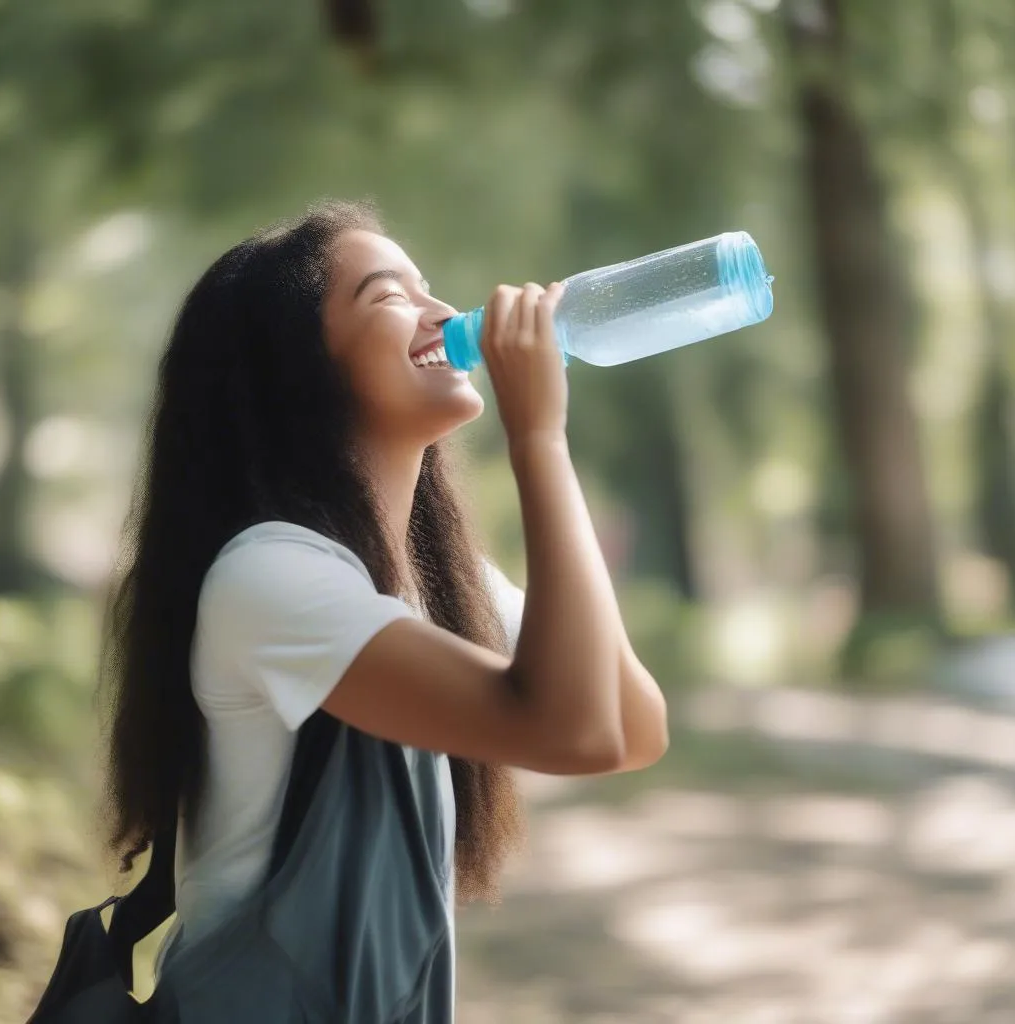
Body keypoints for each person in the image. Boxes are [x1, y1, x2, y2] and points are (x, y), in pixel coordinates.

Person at [100, 199, 669, 1018]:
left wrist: (547, 438)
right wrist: (539, 441)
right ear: (296, 369)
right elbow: (568, 729)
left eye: (429, 287)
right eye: (389, 295)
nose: (443, 313)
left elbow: (630, 729)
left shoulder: (441, 582)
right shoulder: (270, 577)